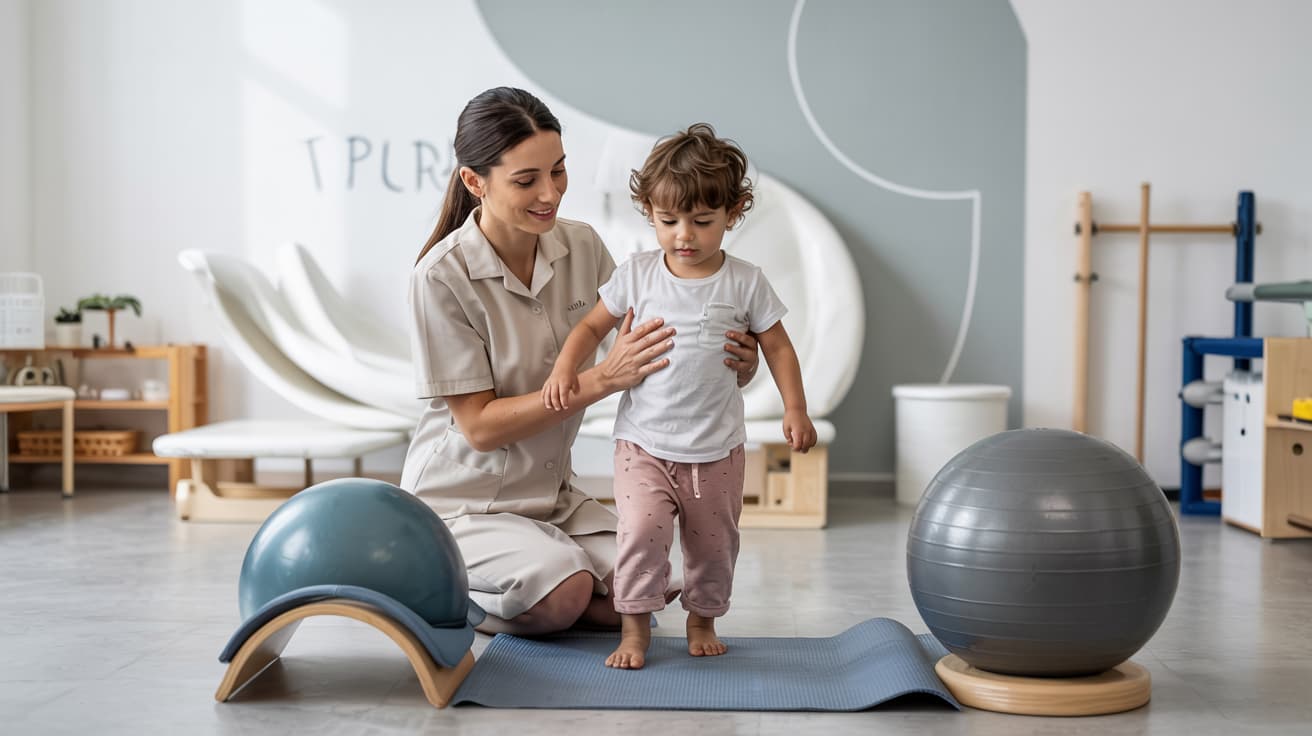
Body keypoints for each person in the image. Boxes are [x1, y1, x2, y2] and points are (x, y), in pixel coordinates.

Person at [401, 88, 760, 636]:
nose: (551, 194)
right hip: (465, 504)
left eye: (559, 171)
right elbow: (477, 428)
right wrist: (599, 380)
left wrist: (739, 361)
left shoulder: (583, 246)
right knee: (566, 595)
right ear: (475, 182)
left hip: (552, 498)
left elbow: (668, 339)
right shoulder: (440, 278)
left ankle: (546, 573)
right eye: (526, 181)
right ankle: (454, 594)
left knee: (652, 583)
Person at [540, 123, 817, 669]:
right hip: (643, 444)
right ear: (650, 213)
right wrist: (565, 370)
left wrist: (795, 408)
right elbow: (590, 328)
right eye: (668, 221)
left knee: (713, 546)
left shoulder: (745, 282)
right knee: (641, 534)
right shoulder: (638, 274)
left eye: (702, 221)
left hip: (716, 451)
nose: (683, 235)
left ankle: (702, 618)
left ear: (733, 213)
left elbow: (779, 349)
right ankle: (635, 629)